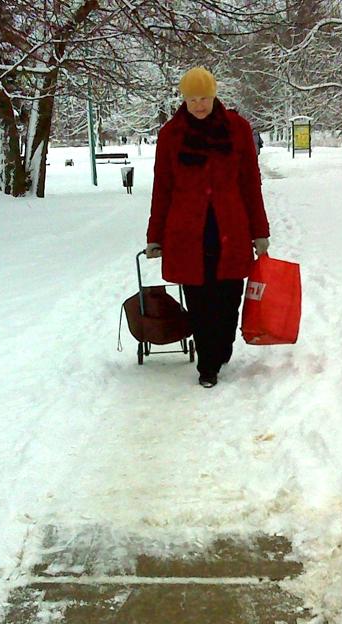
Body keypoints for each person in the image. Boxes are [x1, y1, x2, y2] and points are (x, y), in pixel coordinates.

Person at [146, 67, 270, 388]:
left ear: (214, 96)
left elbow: (250, 184)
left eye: (204, 98)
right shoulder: (171, 135)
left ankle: (222, 348)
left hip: (231, 228)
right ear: (184, 100)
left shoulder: (237, 129)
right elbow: (162, 188)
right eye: (192, 99)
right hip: (187, 233)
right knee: (200, 303)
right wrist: (155, 236)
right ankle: (207, 364)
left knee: (228, 300)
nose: (199, 105)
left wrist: (259, 231)